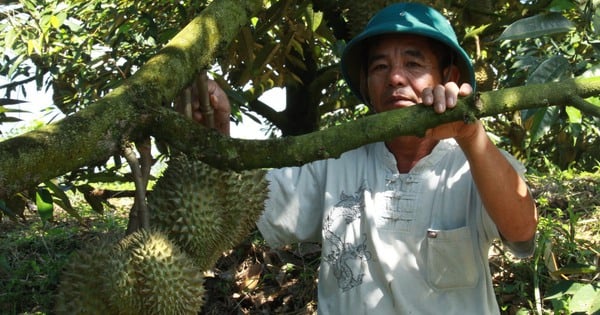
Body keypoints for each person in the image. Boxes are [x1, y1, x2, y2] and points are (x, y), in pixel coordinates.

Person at [199, 3, 538, 314]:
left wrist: (472, 136)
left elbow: (522, 232)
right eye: (380, 67)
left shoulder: (474, 162)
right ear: (366, 85)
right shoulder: (333, 162)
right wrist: (217, 133)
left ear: (448, 79)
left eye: (414, 63)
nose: (394, 78)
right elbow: (242, 199)